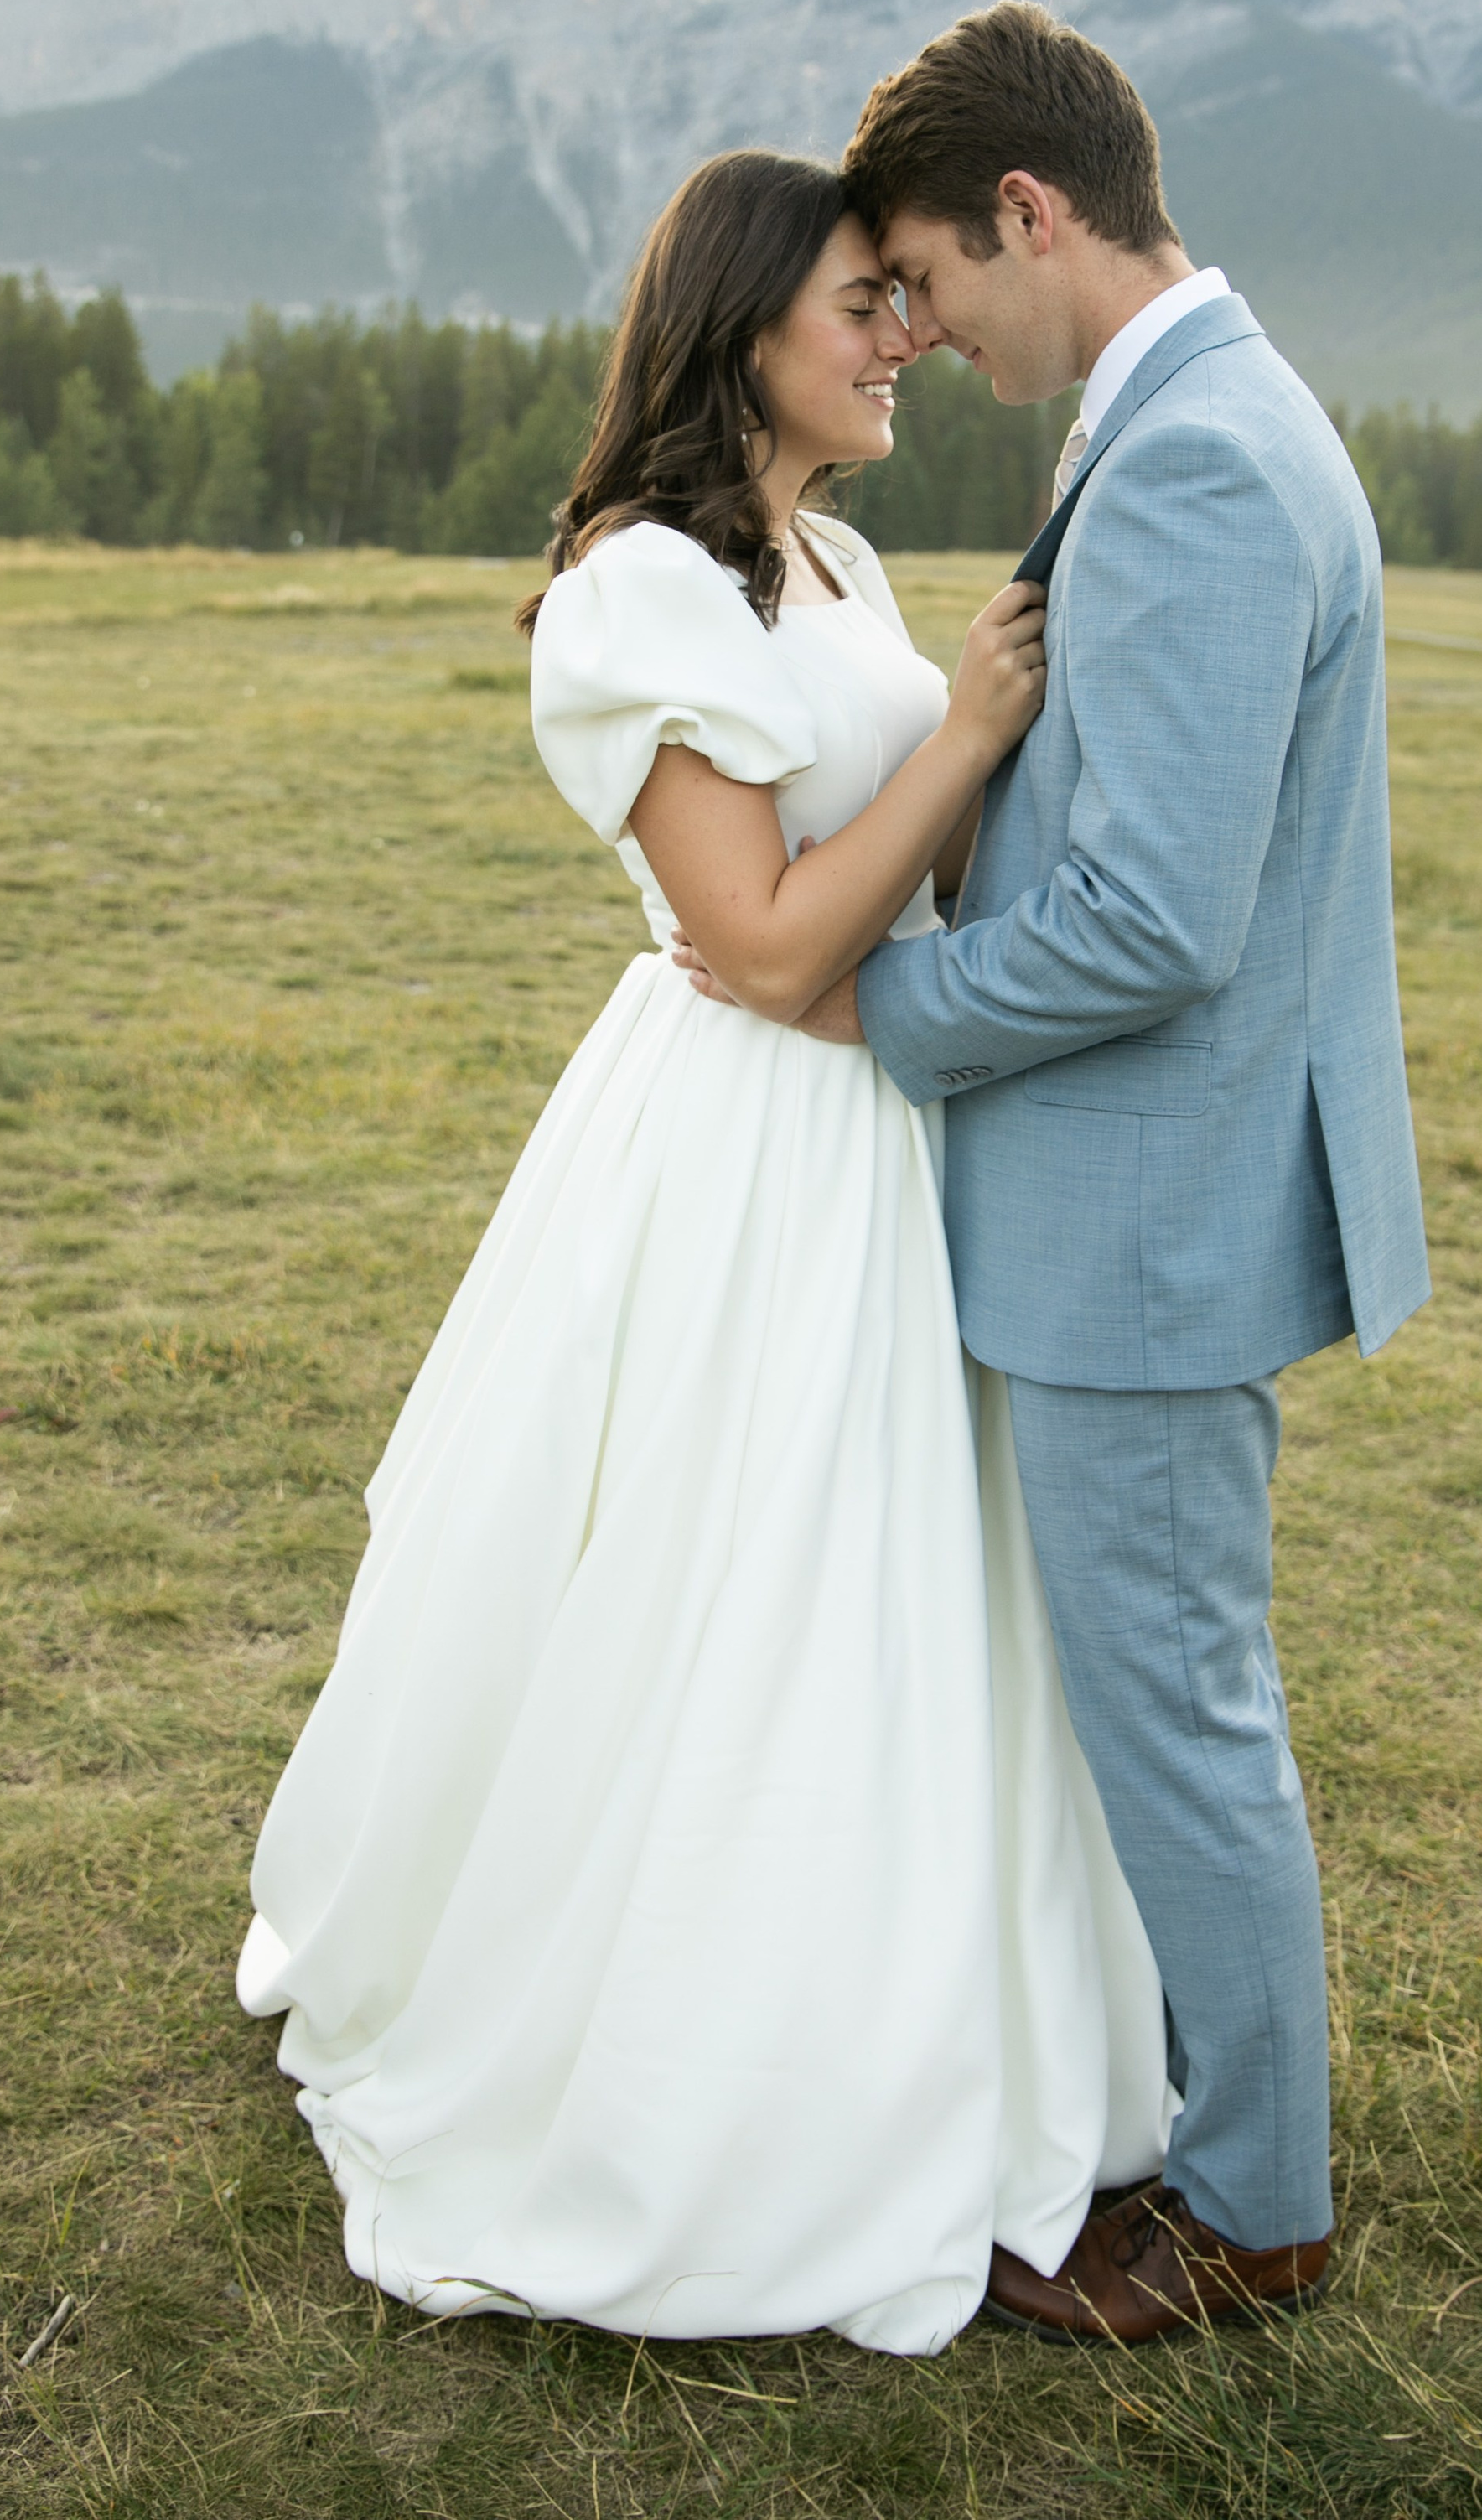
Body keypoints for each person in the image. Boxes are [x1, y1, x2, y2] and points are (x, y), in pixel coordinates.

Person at [236, 148, 1171, 2357]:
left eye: (907, 301)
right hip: (759, 1139)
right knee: (739, 1578)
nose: (902, 334)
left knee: (910, 1589)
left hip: (894, 1125)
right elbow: (753, 945)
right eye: (864, 300)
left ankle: (942, 2023)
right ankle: (700, 2070)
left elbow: (896, 882)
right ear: (744, 318)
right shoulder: (639, 588)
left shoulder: (826, 552)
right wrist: (964, 731)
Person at [680, 3, 1429, 2342]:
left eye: (928, 275)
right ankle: (1192, 2133)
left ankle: (1253, 2212)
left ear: (1032, 210)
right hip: (1153, 1206)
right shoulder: (1205, 414)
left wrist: (863, 1013)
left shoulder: (1201, 456)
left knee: (1180, 1710)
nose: (922, 330)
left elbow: (1153, 917)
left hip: (1151, 1228)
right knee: (1155, 1694)